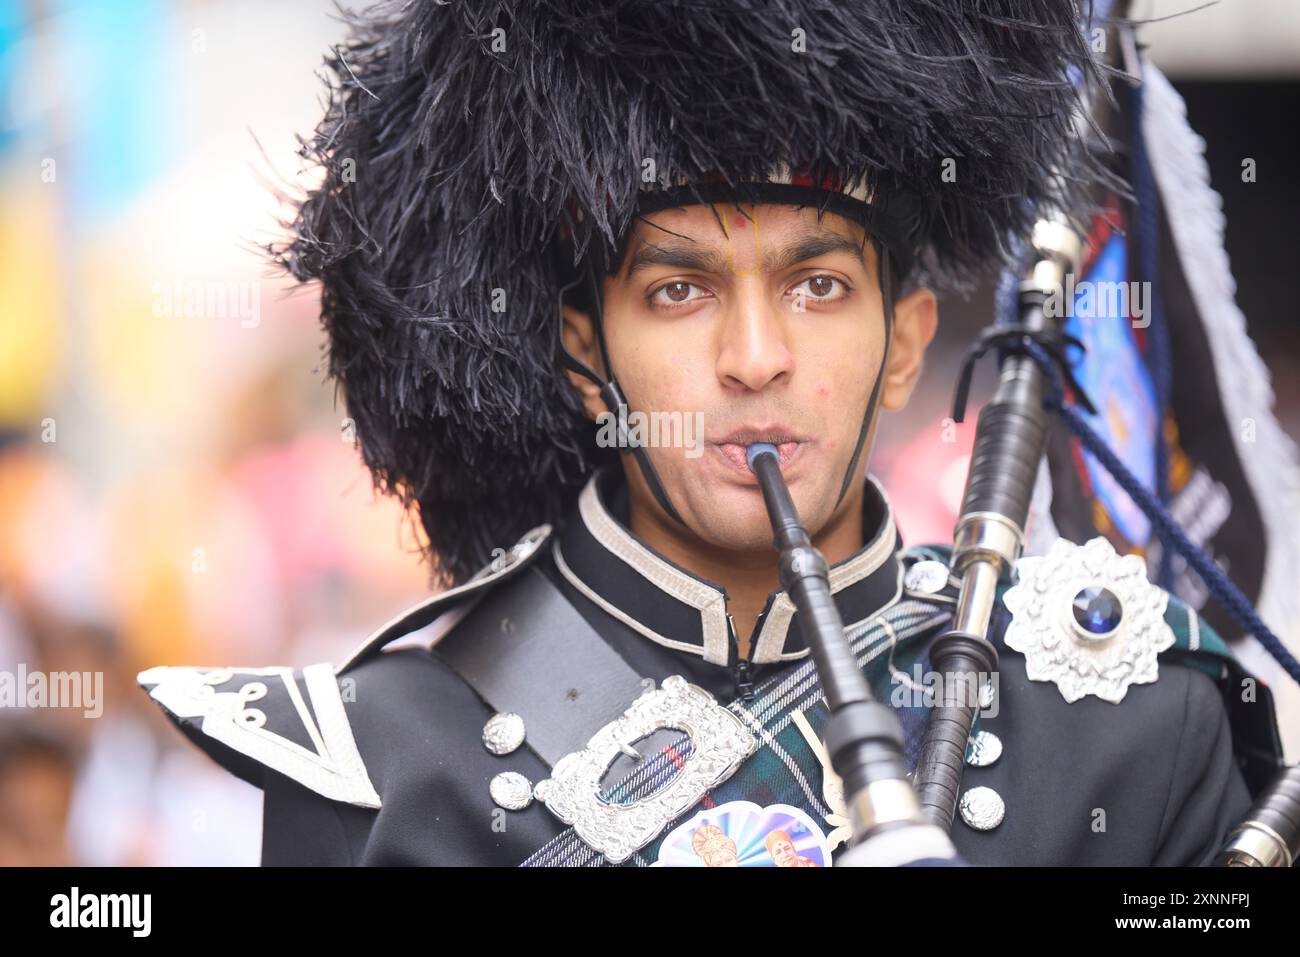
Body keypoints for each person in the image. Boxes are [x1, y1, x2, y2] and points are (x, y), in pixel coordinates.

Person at [137, 0, 1285, 866]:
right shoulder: (388, 767)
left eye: (819, 285)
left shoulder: (1129, 715)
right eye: (679, 291)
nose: (754, 358)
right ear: (587, 356)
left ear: (905, 343)